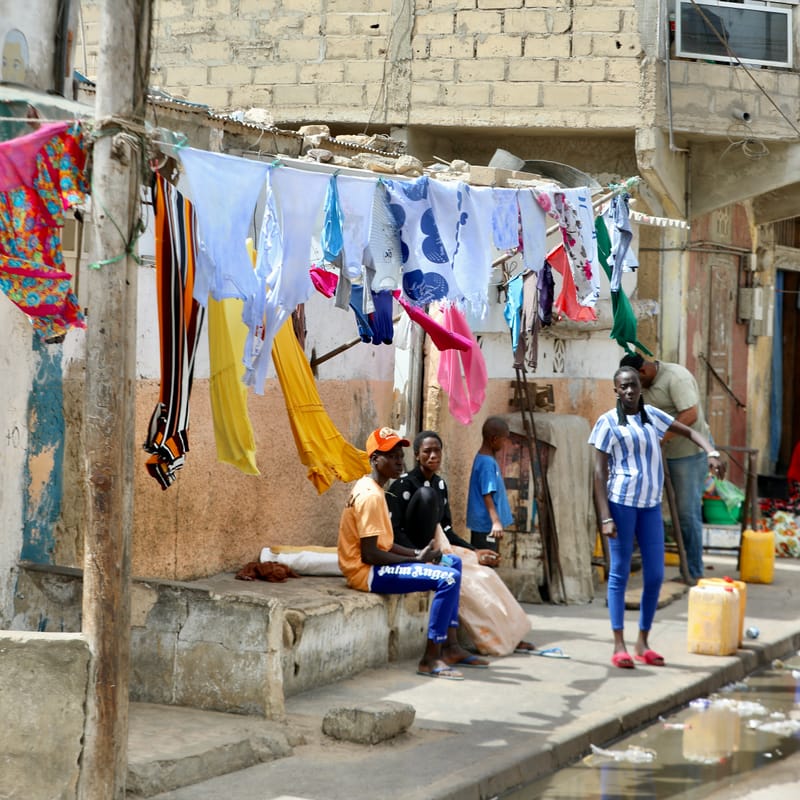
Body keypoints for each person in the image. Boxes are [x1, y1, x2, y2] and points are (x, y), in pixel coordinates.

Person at [590, 366, 725, 669]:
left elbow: (690, 431)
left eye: (633, 386)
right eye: (623, 387)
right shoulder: (608, 422)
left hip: (650, 504)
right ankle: (619, 643)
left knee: (655, 575)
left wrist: (712, 453)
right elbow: (599, 473)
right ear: (616, 391)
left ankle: (643, 641)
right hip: (621, 504)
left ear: (641, 388)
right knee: (620, 573)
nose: (628, 391)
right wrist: (604, 517)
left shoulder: (652, 414)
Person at [338, 426, 482, 680]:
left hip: (379, 565)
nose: (398, 460)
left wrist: (419, 554)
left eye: (399, 455)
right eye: (391, 455)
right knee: (446, 579)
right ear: (374, 459)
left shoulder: (376, 489)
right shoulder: (371, 496)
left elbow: (385, 543)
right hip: (367, 573)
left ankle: (451, 647)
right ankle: (430, 658)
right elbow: (370, 554)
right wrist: (413, 560)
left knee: (453, 563)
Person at [388, 431, 538, 657]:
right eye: (427, 451)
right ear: (417, 455)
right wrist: (418, 555)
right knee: (471, 585)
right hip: (419, 551)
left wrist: (474, 551)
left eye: (437, 450)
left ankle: (512, 635)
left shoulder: (440, 485)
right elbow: (395, 532)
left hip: (442, 546)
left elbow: (447, 530)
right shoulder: (403, 485)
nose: (433, 456)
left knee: (487, 576)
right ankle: (483, 641)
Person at [619, 352, 722, 583]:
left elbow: (691, 415)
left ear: (644, 372)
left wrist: (661, 438)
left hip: (688, 454)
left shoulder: (676, 377)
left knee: (686, 513)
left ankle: (693, 572)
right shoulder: (637, 385)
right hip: (659, 455)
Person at [467, 416, 514, 554]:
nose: (505, 444)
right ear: (494, 439)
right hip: (486, 526)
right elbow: (487, 494)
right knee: (487, 561)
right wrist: (496, 522)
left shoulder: (484, 458)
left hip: (485, 525)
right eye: (504, 440)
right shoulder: (487, 463)